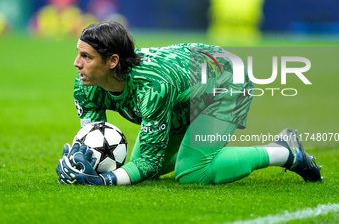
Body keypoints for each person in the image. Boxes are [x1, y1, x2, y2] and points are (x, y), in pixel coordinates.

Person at [56, 21, 322, 186]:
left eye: (86, 56)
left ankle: (284, 151)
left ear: (112, 61)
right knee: (140, 171)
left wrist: (105, 180)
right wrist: (82, 160)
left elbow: (146, 161)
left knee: (192, 171)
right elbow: (91, 136)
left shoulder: (152, 86)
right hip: (186, 94)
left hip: (226, 81)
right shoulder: (85, 86)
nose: (76, 64)